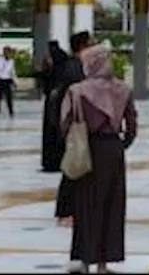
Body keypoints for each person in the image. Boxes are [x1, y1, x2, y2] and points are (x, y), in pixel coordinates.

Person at [61, 44, 136, 274]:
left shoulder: (78, 91)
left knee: (85, 204)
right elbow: (132, 124)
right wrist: (121, 143)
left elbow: (65, 122)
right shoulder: (123, 90)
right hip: (113, 151)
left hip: (88, 149)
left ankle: (84, 260)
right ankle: (103, 263)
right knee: (111, 205)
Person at [54, 31, 93, 225]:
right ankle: (65, 209)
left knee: (79, 166)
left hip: (77, 124)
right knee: (73, 166)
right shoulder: (75, 68)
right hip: (75, 125)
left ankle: (75, 208)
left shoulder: (77, 66)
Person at [41, 41, 72, 172]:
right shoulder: (63, 68)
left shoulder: (58, 70)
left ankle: (53, 161)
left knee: (54, 132)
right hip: (56, 104)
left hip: (55, 105)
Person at [0, 46, 17, 118]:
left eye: (8, 52)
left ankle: (11, 112)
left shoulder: (11, 61)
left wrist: (15, 82)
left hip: (7, 80)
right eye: (5, 52)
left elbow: (13, 72)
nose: (7, 54)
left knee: (9, 98)